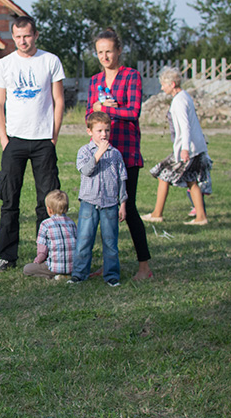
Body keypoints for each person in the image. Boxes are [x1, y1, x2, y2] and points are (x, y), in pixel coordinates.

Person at [0, 16, 65, 272]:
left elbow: (58, 100)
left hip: (43, 140)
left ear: (36, 35)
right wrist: (4, 139)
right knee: (9, 201)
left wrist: (53, 136)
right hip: (14, 141)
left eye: (27, 36)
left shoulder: (50, 61)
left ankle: (47, 255)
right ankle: (7, 256)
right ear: (13, 37)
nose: (23, 41)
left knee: (47, 202)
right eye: (18, 37)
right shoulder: (4, 64)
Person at [86, 28, 153, 281]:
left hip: (126, 151)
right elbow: (89, 116)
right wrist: (98, 110)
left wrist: (104, 109)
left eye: (109, 51)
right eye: (100, 52)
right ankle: (108, 264)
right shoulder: (95, 80)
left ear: (119, 51)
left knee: (130, 208)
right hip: (102, 154)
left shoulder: (131, 76)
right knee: (105, 210)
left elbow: (133, 112)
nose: (104, 57)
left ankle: (144, 267)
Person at [142, 66, 212, 225]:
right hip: (195, 147)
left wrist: (185, 149)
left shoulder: (179, 101)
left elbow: (185, 127)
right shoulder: (185, 96)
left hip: (188, 149)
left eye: (163, 84)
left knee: (163, 175)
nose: (162, 88)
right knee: (191, 179)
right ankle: (201, 217)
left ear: (172, 84)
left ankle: (157, 214)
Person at [69, 112, 128, 287]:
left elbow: (122, 179)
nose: (104, 134)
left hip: (110, 203)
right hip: (89, 202)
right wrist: (98, 155)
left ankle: (111, 275)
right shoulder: (84, 151)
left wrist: (123, 204)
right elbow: (86, 171)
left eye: (107, 130)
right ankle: (79, 274)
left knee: (110, 242)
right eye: (99, 130)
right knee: (84, 239)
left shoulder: (115, 154)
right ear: (90, 131)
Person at [23, 190, 76, 280]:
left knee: (27, 269)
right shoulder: (72, 223)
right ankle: (67, 274)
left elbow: (42, 253)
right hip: (73, 267)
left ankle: (51, 275)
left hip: (54, 268)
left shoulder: (45, 224)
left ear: (49, 209)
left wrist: (37, 262)